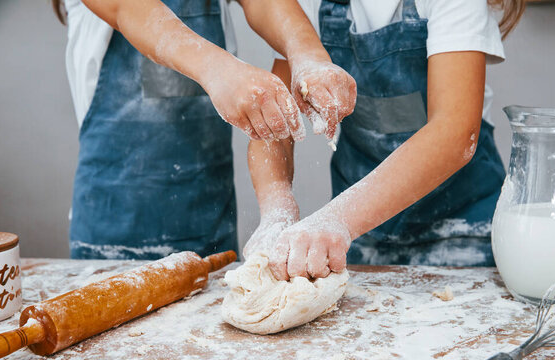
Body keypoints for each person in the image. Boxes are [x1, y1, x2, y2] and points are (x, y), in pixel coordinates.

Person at [51, 0, 356, 259]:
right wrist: (217, 69)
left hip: (210, 224)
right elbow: (126, 8)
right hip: (113, 227)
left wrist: (306, 53)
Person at [245, 0, 526, 280]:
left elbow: (455, 134)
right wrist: (276, 208)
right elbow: (273, 119)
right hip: (362, 233)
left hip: (461, 226)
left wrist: (337, 220)